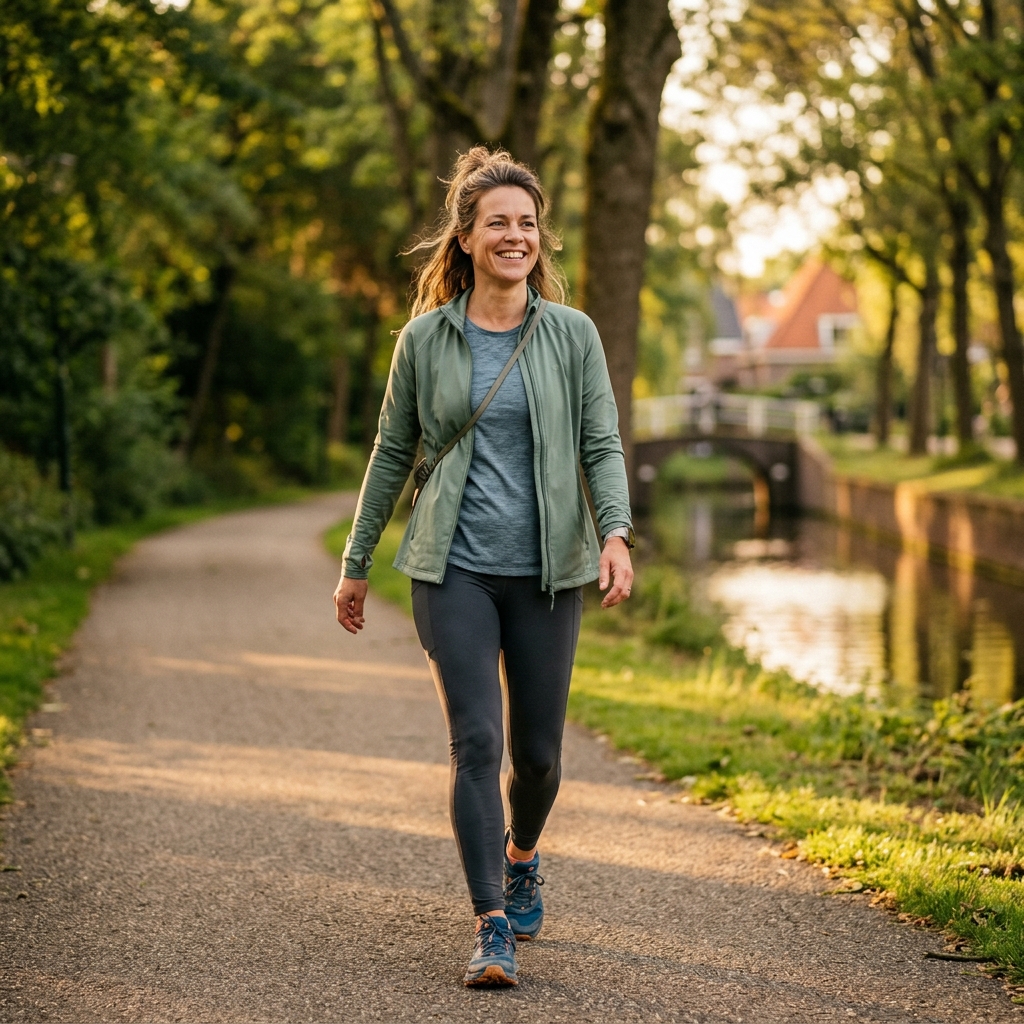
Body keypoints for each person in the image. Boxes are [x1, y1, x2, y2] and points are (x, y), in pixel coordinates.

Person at [333, 146, 634, 988]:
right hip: (452, 568)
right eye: (497, 223)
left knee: (536, 757)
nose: (515, 236)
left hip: (547, 572)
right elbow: (391, 455)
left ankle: (524, 852)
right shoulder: (425, 341)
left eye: (527, 224)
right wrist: (357, 564)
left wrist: (615, 533)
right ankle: (491, 922)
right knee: (477, 744)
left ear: (542, 239)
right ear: (464, 238)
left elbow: (601, 443)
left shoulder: (572, 335)